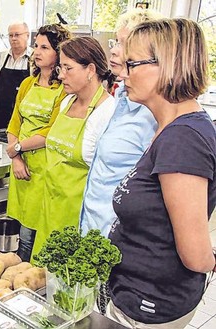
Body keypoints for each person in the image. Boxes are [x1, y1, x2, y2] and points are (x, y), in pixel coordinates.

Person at [107, 18, 216, 328]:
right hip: (134, 293)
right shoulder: (169, 129)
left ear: (167, 65)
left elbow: (195, 255)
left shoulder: (183, 139)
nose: (124, 73)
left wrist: (211, 259)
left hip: (151, 304)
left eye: (132, 64)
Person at [78, 9, 162, 315]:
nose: (114, 49)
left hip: (117, 248)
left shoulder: (154, 115)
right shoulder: (123, 99)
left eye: (124, 43)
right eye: (116, 40)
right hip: (92, 234)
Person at [31, 37, 116, 258]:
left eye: (68, 68)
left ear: (90, 69)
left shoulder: (107, 112)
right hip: (49, 208)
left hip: (79, 219)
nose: (60, 75)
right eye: (60, 67)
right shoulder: (67, 102)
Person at [3, 23, 71, 261]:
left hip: (43, 168)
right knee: (22, 224)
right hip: (20, 164)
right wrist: (16, 158)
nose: (37, 52)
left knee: (35, 228)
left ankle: (31, 278)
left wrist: (18, 148)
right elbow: (14, 123)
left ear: (59, 53)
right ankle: (19, 272)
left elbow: (51, 131)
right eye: (36, 46)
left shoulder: (64, 89)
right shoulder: (27, 84)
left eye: (45, 47)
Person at [0, 22, 32, 130]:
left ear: (27, 35)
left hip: (24, 116)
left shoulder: (35, 59)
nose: (13, 38)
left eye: (17, 35)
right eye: (10, 35)